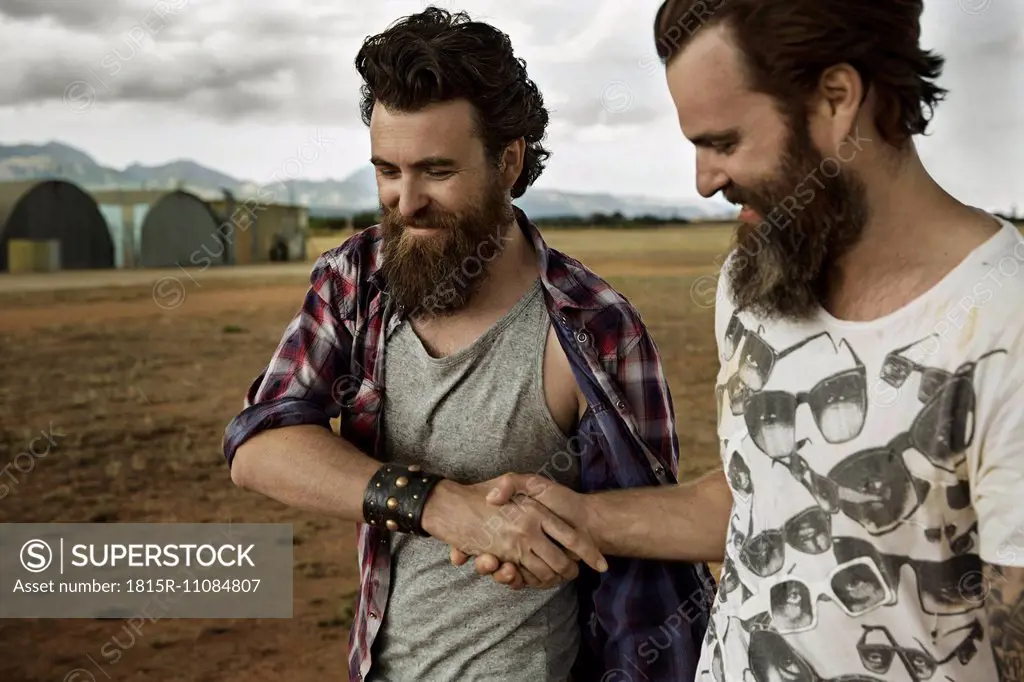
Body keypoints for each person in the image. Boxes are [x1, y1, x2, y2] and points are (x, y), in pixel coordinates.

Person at [458, 1, 1024, 680]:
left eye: (722, 143)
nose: (704, 181)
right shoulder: (758, 277)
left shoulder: (1003, 321)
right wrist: (577, 515)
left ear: (837, 98)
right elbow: (756, 500)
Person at [222, 7, 714, 682]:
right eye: (386, 171)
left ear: (508, 161)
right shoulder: (355, 282)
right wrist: (440, 505)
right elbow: (258, 446)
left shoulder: (596, 328)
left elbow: (650, 542)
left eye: (435, 171)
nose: (405, 199)